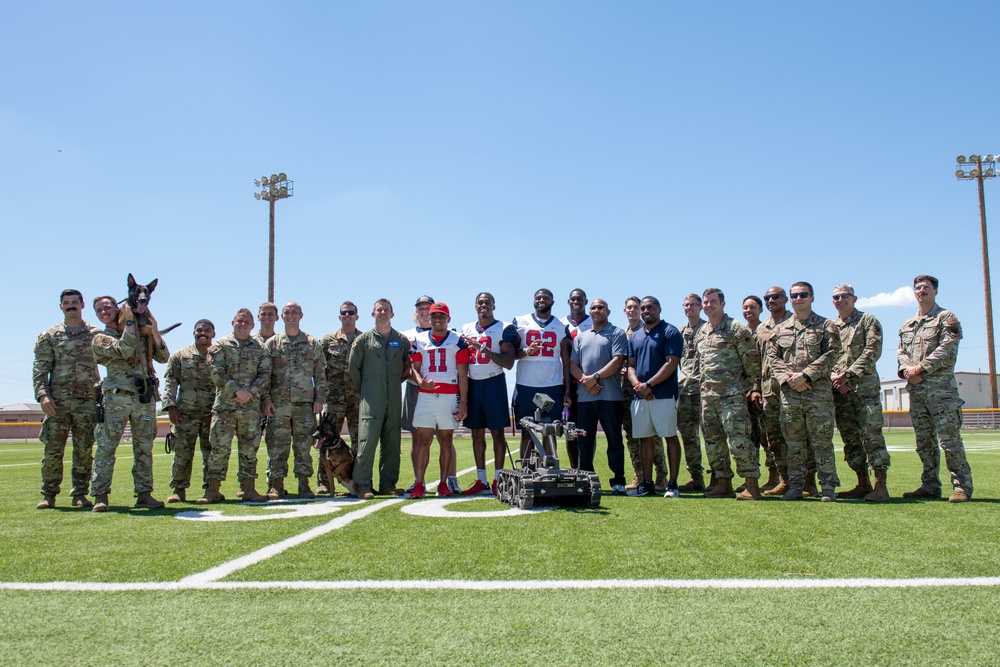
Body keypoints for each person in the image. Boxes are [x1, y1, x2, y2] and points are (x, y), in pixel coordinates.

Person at [897, 275, 973, 503]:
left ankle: (962, 487)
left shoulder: (946, 318)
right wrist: (906, 370)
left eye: (926, 287)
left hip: (941, 392)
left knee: (949, 441)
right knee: (924, 443)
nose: (922, 291)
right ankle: (930, 485)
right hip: (917, 391)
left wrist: (920, 368)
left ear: (935, 291)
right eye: (918, 288)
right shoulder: (907, 324)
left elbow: (946, 349)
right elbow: (901, 351)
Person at [90, 295, 170, 511]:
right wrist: (128, 322)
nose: (104, 311)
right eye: (99, 310)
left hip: (143, 397)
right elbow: (124, 349)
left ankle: (144, 494)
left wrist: (153, 331)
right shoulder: (100, 337)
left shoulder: (142, 333)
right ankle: (100, 495)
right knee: (106, 447)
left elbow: (163, 357)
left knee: (144, 448)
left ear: (117, 307)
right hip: (117, 398)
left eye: (108, 307)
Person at [766, 281, 841, 501]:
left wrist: (806, 375)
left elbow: (832, 353)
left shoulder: (826, 326)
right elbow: (773, 357)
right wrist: (789, 379)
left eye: (803, 295)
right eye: (795, 296)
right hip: (790, 394)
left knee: (822, 443)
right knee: (794, 444)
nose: (798, 299)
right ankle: (796, 486)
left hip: (817, 394)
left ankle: (827, 487)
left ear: (812, 298)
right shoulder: (780, 329)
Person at [32, 289, 101, 509]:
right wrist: (43, 395)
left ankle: (80, 494)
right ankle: (49, 494)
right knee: (53, 450)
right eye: (66, 303)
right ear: (61, 306)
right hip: (57, 402)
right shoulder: (49, 336)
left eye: (74, 302)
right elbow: (40, 369)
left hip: (87, 401)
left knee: (83, 449)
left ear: (82, 305)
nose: (70, 306)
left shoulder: (96, 334)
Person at [695, 289, 762, 499]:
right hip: (708, 397)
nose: (708, 305)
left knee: (739, 441)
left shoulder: (736, 329)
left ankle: (751, 484)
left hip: (731, 397)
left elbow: (752, 362)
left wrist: (752, 388)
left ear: (722, 304)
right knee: (714, 444)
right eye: (706, 302)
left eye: (713, 302)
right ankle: (723, 483)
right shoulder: (702, 331)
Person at [201, 308, 271, 503]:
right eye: (239, 321)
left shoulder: (260, 348)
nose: (243, 324)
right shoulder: (221, 346)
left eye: (247, 322)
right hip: (225, 407)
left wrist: (250, 393)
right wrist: (236, 391)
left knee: (249, 450)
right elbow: (216, 371)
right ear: (233, 323)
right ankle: (212, 490)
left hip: (250, 409)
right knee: (219, 449)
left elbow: (265, 375)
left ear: (252, 325)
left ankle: (249, 489)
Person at [830, 284, 891, 502]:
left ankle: (880, 485)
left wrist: (848, 374)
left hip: (863, 388)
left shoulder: (867, 321)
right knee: (850, 438)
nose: (840, 300)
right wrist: (835, 380)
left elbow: (872, 351)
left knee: (871, 435)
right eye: (836, 297)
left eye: (844, 296)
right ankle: (862, 482)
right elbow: (827, 356)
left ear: (854, 298)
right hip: (840, 390)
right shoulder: (831, 326)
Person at [262, 302, 327, 500]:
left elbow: (321, 373)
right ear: (281, 316)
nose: (291, 315)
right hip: (278, 405)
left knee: (303, 446)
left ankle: (304, 485)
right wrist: (265, 400)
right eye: (287, 312)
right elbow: (264, 374)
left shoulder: (311, 342)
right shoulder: (272, 344)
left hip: (304, 405)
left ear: (301, 315)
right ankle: (276, 485)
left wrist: (319, 399)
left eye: (294, 312)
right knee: (277, 446)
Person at [406, 302, 470, 498]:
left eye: (442, 316)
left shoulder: (457, 341)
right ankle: (419, 484)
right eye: (435, 316)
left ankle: (443, 483)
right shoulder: (419, 339)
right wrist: (420, 382)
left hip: (449, 396)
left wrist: (463, 402)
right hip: (426, 396)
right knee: (423, 440)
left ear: (448, 319)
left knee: (446, 440)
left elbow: (462, 374)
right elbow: (414, 368)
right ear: (429, 318)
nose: (438, 320)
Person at [350, 299, 411, 499]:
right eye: (379, 310)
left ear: (392, 314)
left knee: (392, 442)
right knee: (367, 441)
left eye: (386, 310)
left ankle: (388, 484)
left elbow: (406, 368)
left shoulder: (401, 340)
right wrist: (367, 389)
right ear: (373, 314)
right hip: (370, 399)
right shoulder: (363, 340)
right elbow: (353, 369)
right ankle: (362, 484)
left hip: (393, 397)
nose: (382, 313)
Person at [569, 299, 628, 495]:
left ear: (608, 311)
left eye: (600, 307)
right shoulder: (580, 337)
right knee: (584, 442)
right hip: (585, 399)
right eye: (593, 308)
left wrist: (594, 377)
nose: (596, 310)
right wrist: (586, 381)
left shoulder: (617, 333)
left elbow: (617, 361)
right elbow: (573, 365)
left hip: (610, 398)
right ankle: (587, 480)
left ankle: (618, 481)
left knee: (614, 441)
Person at [460, 292, 517, 495]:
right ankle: (482, 479)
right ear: (475, 305)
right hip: (473, 383)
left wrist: (484, 349)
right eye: (480, 302)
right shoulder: (466, 328)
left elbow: (508, 363)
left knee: (497, 433)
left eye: (487, 302)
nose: (483, 305)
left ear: (494, 305)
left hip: (494, 381)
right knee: (476, 433)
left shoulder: (503, 328)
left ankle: (498, 479)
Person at [626, 296, 683, 497]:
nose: (646, 311)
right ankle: (647, 484)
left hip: (664, 395)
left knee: (669, 436)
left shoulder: (670, 331)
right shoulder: (635, 336)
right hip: (640, 396)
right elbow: (630, 366)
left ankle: (673, 484)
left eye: (650, 307)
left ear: (659, 309)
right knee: (644, 439)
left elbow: (671, 362)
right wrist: (638, 385)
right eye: (643, 308)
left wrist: (649, 385)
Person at [511, 289, 572, 457]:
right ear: (533, 300)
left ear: (552, 302)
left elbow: (566, 362)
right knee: (527, 432)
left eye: (546, 298)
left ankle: (550, 470)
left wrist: (567, 391)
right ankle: (526, 471)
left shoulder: (561, 326)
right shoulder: (520, 321)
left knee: (550, 430)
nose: (541, 300)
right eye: (538, 297)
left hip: (552, 385)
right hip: (525, 385)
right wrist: (526, 351)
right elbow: (511, 355)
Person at [162, 319, 216, 503]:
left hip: (212, 413)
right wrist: (170, 406)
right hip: (185, 413)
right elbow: (170, 381)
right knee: (183, 452)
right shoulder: (181, 355)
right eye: (199, 330)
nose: (203, 333)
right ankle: (179, 489)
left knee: (211, 452)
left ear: (213, 334)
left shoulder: (219, 355)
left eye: (207, 330)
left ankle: (211, 489)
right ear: (194, 333)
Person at [620, 297, 667, 490]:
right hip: (626, 392)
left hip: (648, 391)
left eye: (636, 307)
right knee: (632, 437)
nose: (632, 310)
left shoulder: (648, 330)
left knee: (653, 436)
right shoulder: (622, 334)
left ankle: (661, 475)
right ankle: (639, 474)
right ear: (624, 311)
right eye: (629, 307)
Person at [317, 301, 362, 494]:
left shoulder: (364, 339)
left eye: (351, 313)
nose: (347, 315)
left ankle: (359, 480)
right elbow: (317, 364)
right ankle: (324, 483)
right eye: (344, 313)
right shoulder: (328, 340)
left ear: (357, 316)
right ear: (340, 316)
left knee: (359, 441)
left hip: (357, 398)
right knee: (325, 441)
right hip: (334, 398)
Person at [757, 286, 794, 496]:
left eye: (775, 297)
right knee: (775, 438)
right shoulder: (763, 328)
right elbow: (756, 360)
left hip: (792, 388)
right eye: (768, 298)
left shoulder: (794, 323)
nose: (771, 300)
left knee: (797, 436)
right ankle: (785, 479)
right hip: (768, 390)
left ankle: (807, 481)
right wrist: (755, 388)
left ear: (785, 299)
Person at [742, 295, 776, 489]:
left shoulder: (766, 331)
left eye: (752, 307)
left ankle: (774, 477)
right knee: (749, 437)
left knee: (768, 436)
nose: (748, 311)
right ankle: (751, 479)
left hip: (763, 391)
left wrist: (756, 388)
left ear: (761, 310)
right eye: (745, 307)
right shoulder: (740, 332)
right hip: (743, 393)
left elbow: (761, 364)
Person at [676, 294, 707, 492]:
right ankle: (697, 478)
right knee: (688, 437)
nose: (689, 308)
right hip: (685, 391)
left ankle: (720, 479)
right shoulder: (679, 334)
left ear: (701, 307)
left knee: (712, 436)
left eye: (693, 305)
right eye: (686, 305)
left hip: (705, 390)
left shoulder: (708, 329)